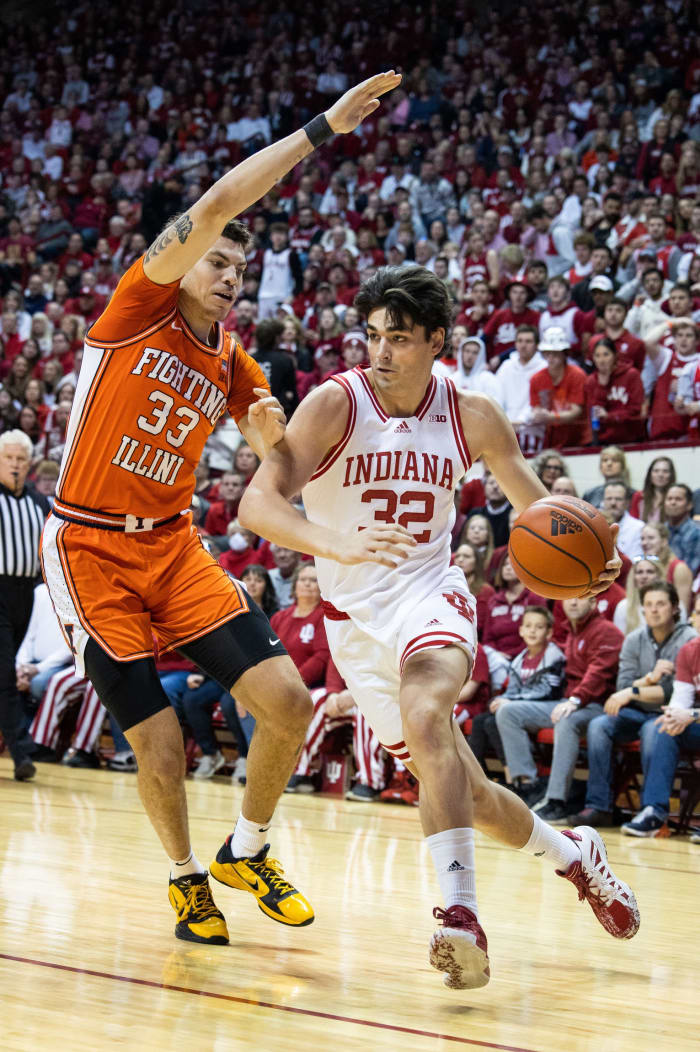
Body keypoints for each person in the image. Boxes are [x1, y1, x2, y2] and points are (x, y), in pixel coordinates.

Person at [41, 71, 403, 944]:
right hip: (89, 547)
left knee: (287, 701)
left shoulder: (234, 358)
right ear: (186, 254)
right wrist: (323, 128)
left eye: (242, 268)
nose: (230, 275)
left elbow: (268, 446)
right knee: (160, 743)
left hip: (172, 546)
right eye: (219, 259)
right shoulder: (139, 305)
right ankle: (184, 878)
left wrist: (273, 432)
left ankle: (248, 847)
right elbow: (220, 200)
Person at [240, 263, 636, 991]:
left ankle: (458, 914)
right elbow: (256, 508)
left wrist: (592, 558)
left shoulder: (472, 414)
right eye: (372, 335)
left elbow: (536, 510)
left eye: (398, 337)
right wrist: (335, 544)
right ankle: (573, 854)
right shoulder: (336, 403)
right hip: (353, 620)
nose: (380, 351)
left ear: (436, 340)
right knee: (467, 793)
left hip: (431, 591)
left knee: (428, 709)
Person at [570, 582, 697, 828]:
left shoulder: (689, 639)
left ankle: (649, 809)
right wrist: (647, 681)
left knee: (655, 729)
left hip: (669, 712)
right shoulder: (633, 639)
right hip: (636, 712)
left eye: (660, 604)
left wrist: (635, 690)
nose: (654, 610)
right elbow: (623, 686)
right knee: (599, 725)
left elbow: (671, 691)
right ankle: (600, 806)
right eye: (648, 605)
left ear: (674, 608)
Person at [497, 597, 623, 822]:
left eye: (580, 598)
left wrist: (574, 700)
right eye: (569, 598)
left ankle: (557, 801)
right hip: (569, 701)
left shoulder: (606, 631)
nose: (573, 602)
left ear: (594, 603)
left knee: (567, 721)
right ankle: (528, 785)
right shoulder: (572, 631)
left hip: (597, 705)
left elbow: (598, 674)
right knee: (508, 712)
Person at [0, 430, 50, 781]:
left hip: (29, 595)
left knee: (11, 674)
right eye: (8, 459)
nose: (15, 465)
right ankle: (21, 751)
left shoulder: (39, 503)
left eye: (20, 459)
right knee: (5, 674)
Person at [621, 624, 700, 837]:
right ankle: (654, 812)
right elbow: (681, 700)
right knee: (664, 728)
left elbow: (690, 712)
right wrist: (674, 714)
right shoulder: (689, 650)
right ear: (693, 617)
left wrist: (693, 715)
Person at [484, 607, 565, 798]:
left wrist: (510, 701)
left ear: (549, 632)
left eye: (539, 627)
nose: (532, 631)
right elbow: (511, 691)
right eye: (528, 626)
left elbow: (549, 691)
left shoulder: (555, 657)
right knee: (485, 720)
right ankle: (483, 782)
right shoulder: (519, 660)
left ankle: (527, 782)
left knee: (508, 711)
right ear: (520, 630)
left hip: (553, 706)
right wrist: (500, 700)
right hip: (528, 707)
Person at [528, 326, 587, 449]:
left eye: (555, 353)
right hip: (549, 439)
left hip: (577, 437)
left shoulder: (577, 375)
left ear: (565, 353)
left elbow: (576, 411)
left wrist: (550, 417)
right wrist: (537, 414)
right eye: (547, 353)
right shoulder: (536, 379)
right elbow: (536, 409)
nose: (550, 357)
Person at [583, 338, 645, 444]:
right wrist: (602, 385)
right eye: (597, 356)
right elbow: (593, 416)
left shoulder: (631, 375)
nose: (601, 360)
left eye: (606, 355)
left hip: (631, 439)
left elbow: (635, 410)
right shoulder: (591, 381)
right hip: (603, 441)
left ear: (615, 356)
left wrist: (610, 417)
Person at [481, 553, 542, 659]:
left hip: (526, 656)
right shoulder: (493, 601)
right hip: (495, 658)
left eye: (513, 565)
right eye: (505, 565)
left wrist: (513, 655)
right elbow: (487, 638)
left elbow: (539, 633)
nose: (508, 568)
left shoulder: (534, 598)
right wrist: (497, 655)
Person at [639, 522, 693, 617]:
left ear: (664, 541)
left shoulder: (679, 568)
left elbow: (682, 611)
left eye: (650, 538)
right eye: (642, 538)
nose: (644, 543)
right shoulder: (643, 567)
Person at [602, 481, 644, 560]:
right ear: (603, 501)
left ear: (627, 503)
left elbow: (635, 561)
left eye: (618, 499)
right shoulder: (592, 524)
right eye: (609, 498)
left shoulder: (639, 527)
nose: (613, 503)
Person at [664, 484, 700, 575]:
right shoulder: (661, 530)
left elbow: (691, 571)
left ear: (689, 505)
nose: (673, 502)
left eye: (678, 499)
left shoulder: (696, 534)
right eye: (669, 499)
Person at [629, 456, 676, 523]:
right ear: (650, 474)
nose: (660, 475)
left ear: (671, 475)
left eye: (665, 471)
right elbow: (632, 523)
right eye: (656, 471)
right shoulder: (639, 496)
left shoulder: (674, 499)